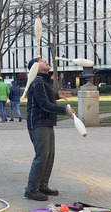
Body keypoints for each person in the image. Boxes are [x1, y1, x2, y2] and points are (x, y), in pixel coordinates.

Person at [24, 57, 75, 201]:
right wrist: (65, 110)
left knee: (49, 156)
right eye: (41, 60)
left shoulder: (44, 80)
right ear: (36, 67)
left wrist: (56, 95)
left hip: (46, 122)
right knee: (41, 157)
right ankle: (31, 189)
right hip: (38, 123)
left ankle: (42, 185)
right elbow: (43, 104)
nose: (46, 61)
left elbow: (45, 97)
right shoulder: (38, 81)